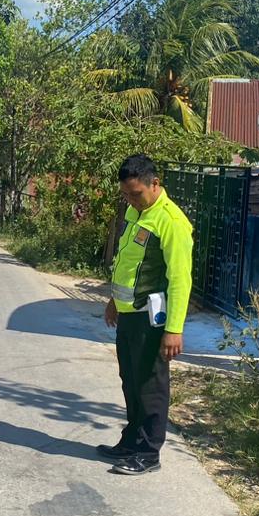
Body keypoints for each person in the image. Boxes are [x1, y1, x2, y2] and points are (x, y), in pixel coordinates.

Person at [100, 154, 193, 476]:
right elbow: (127, 261)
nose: (130, 200)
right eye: (125, 194)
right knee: (130, 380)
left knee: (151, 385)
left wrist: (174, 329)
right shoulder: (135, 210)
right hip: (129, 314)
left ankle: (149, 452)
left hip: (152, 319)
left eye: (136, 194)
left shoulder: (172, 222)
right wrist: (114, 300)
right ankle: (131, 441)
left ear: (156, 184)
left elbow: (181, 279)